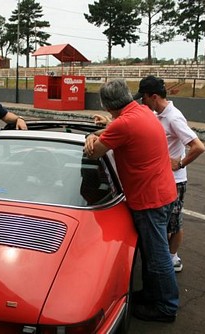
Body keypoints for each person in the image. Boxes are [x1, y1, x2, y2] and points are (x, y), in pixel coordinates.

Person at [85, 79, 179, 323]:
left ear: (106, 106)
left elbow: (94, 152)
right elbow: (113, 129)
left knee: (157, 255)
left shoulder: (124, 123)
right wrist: (99, 133)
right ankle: (151, 294)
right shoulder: (141, 112)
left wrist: (90, 139)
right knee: (151, 253)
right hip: (162, 192)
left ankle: (166, 306)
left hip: (149, 199)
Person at [94, 76, 205, 273]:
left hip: (173, 180)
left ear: (154, 96)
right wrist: (109, 122)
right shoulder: (155, 114)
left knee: (174, 226)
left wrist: (179, 164)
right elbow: (131, 127)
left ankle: (172, 259)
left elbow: (198, 147)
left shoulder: (173, 117)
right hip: (159, 179)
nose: (141, 102)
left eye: (143, 98)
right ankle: (165, 261)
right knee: (162, 231)